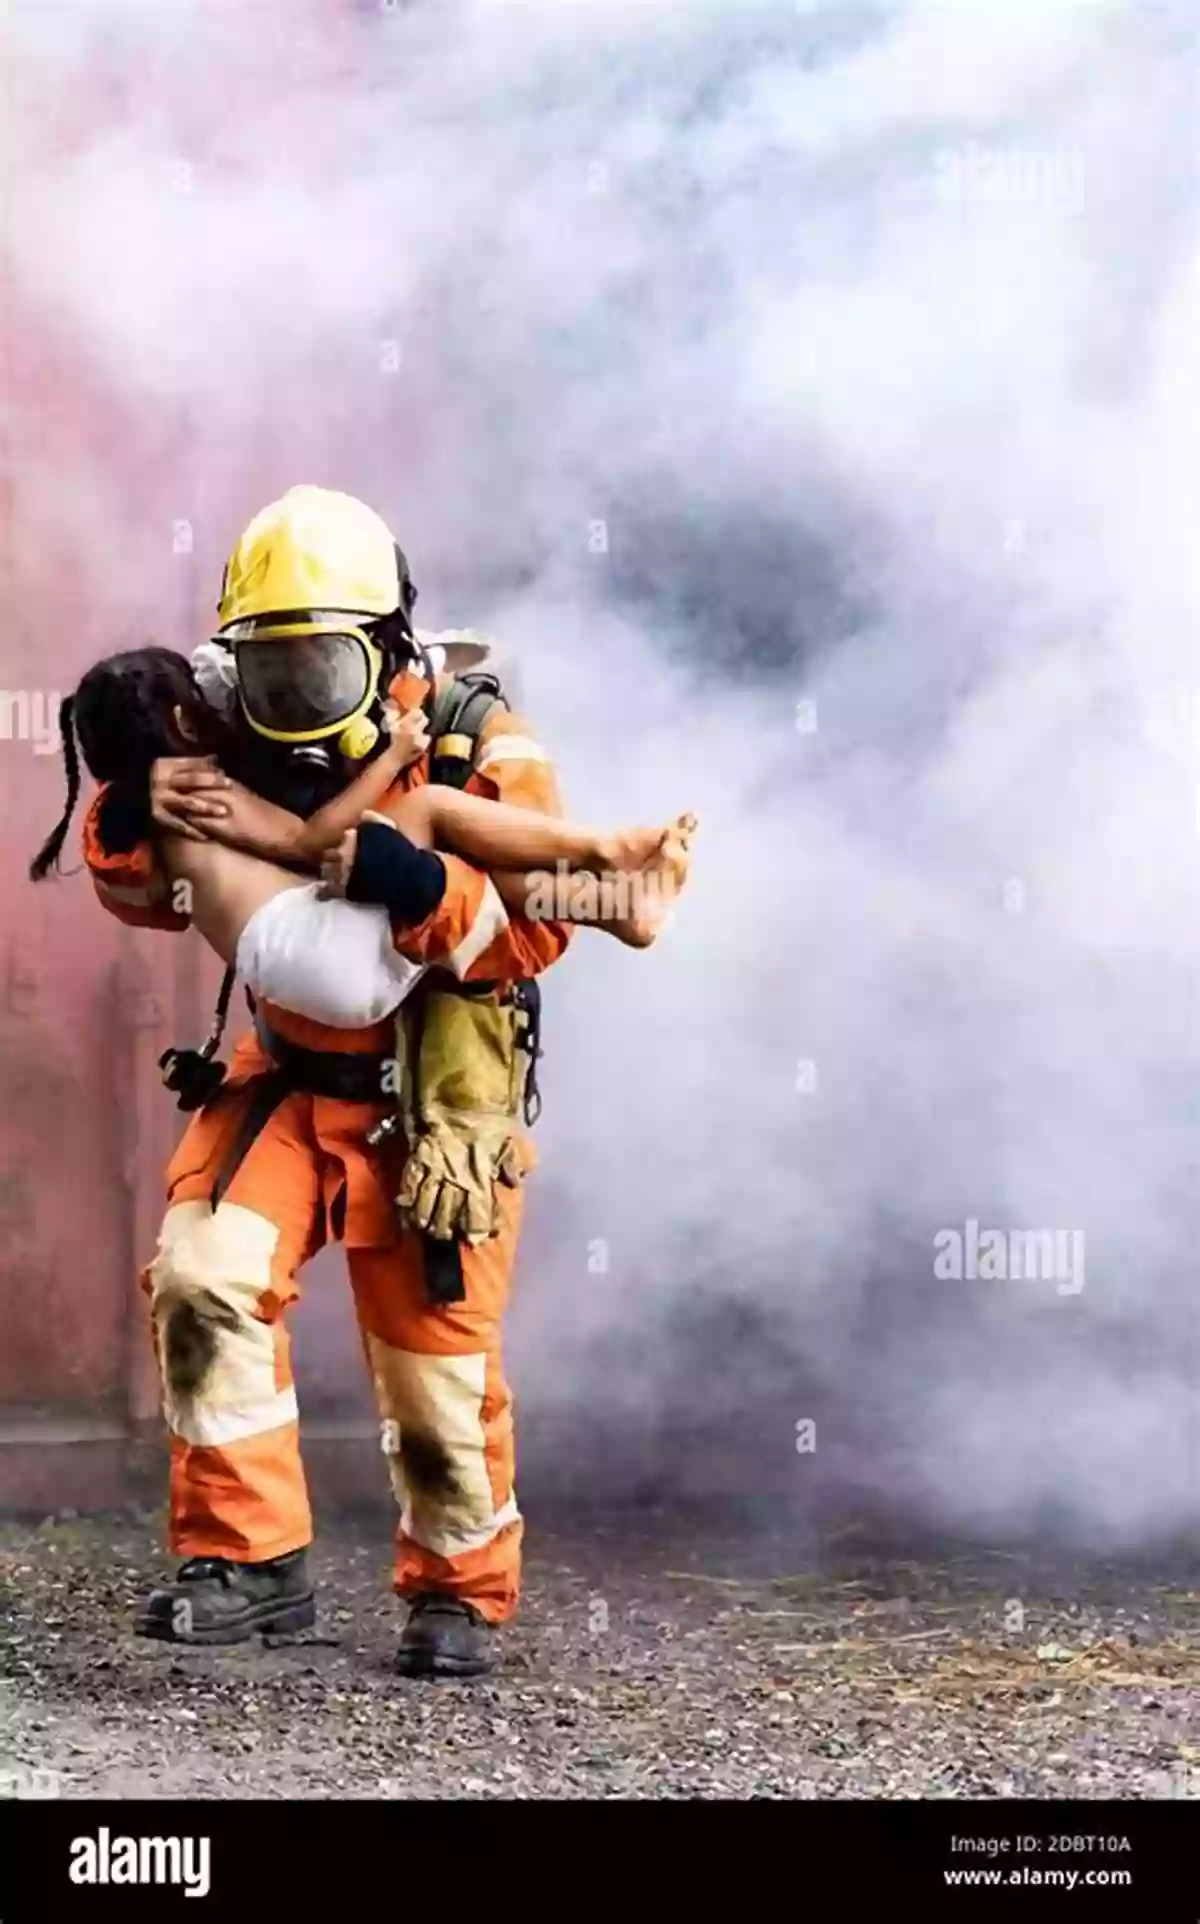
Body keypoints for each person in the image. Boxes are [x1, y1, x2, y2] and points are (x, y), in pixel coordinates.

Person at [67, 485, 661, 1678]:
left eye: (321, 670)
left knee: (436, 1366)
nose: (292, 702)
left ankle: (460, 1589)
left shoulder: (473, 736)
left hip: (432, 1093)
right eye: (271, 671)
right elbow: (141, 896)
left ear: (389, 650)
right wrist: (133, 807)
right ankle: (248, 1561)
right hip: (284, 1074)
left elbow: (533, 936)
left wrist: (414, 881)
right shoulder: (211, 737)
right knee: (203, 1277)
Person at [32, 645, 697, 1031]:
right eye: (201, 703)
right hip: (323, 957)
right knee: (433, 809)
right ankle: (603, 848)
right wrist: (393, 753)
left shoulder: (157, 808)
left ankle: (620, 910)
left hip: (311, 971)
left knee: (454, 865)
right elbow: (304, 839)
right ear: (183, 719)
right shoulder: (196, 789)